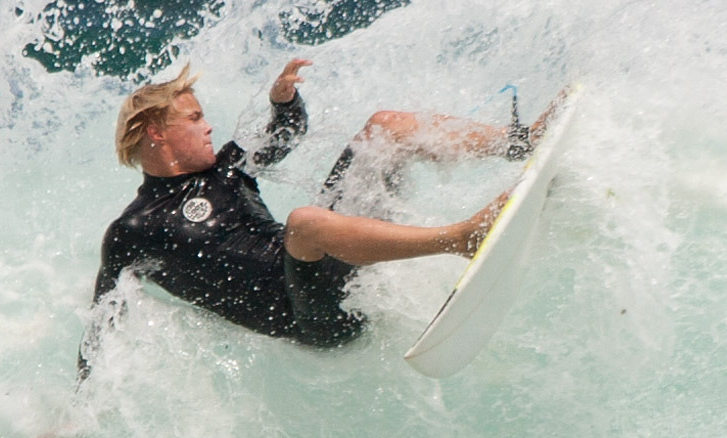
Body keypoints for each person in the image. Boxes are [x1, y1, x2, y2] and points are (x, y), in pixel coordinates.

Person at [76, 58, 542, 381]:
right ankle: (462, 238)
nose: (208, 126)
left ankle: (523, 141)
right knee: (304, 222)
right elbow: (102, 319)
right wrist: (78, 410)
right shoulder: (135, 230)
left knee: (384, 127)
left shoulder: (226, 168)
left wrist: (284, 102)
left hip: (328, 260)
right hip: (310, 318)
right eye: (195, 118)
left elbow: (284, 133)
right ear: (158, 133)